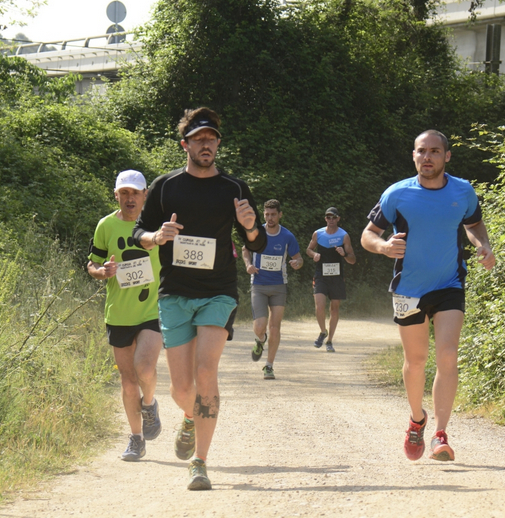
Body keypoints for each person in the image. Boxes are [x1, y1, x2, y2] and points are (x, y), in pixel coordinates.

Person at [132, 107, 266, 491]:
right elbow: (139, 232)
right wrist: (157, 237)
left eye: (212, 139)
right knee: (180, 388)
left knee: (206, 372)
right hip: (175, 292)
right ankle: (190, 416)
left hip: (218, 291)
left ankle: (200, 462)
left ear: (218, 144)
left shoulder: (234, 188)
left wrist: (250, 227)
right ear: (185, 145)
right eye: (199, 139)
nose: (206, 145)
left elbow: (258, 242)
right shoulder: (166, 186)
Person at [360, 130, 495, 462]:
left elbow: (474, 224)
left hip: (450, 284)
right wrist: (383, 247)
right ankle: (416, 419)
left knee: (447, 356)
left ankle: (440, 434)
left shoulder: (463, 191)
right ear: (414, 156)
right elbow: (368, 235)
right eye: (421, 151)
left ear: (447, 156)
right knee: (416, 361)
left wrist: (483, 244)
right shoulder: (397, 194)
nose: (427, 157)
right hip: (408, 289)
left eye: (435, 151)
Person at [87, 169, 163, 462]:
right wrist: (102, 271)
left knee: (145, 368)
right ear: (116, 195)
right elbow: (92, 264)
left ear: (145, 195)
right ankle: (136, 439)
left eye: (135, 193)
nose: (130, 198)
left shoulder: (158, 225)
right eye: (124, 193)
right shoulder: (105, 225)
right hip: (118, 313)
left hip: (152, 309)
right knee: (128, 380)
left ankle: (150, 404)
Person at [242, 199, 303, 379]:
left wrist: (297, 263)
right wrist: (248, 264)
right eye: (267, 214)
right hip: (259, 285)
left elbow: (299, 258)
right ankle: (261, 339)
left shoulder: (287, 236)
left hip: (278, 286)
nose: (270, 218)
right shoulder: (256, 232)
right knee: (260, 327)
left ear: (280, 215)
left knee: (275, 327)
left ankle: (269, 366)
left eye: (273, 214)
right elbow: (245, 250)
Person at [306, 207, 356, 352]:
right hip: (320, 275)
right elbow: (308, 249)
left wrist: (344, 254)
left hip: (336, 277)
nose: (331, 220)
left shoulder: (344, 236)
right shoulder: (318, 233)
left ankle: (329, 341)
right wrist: (314, 255)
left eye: (334, 217)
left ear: (338, 219)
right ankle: (323, 331)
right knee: (319, 306)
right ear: (325, 219)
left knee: (334, 309)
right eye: (328, 217)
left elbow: (353, 259)